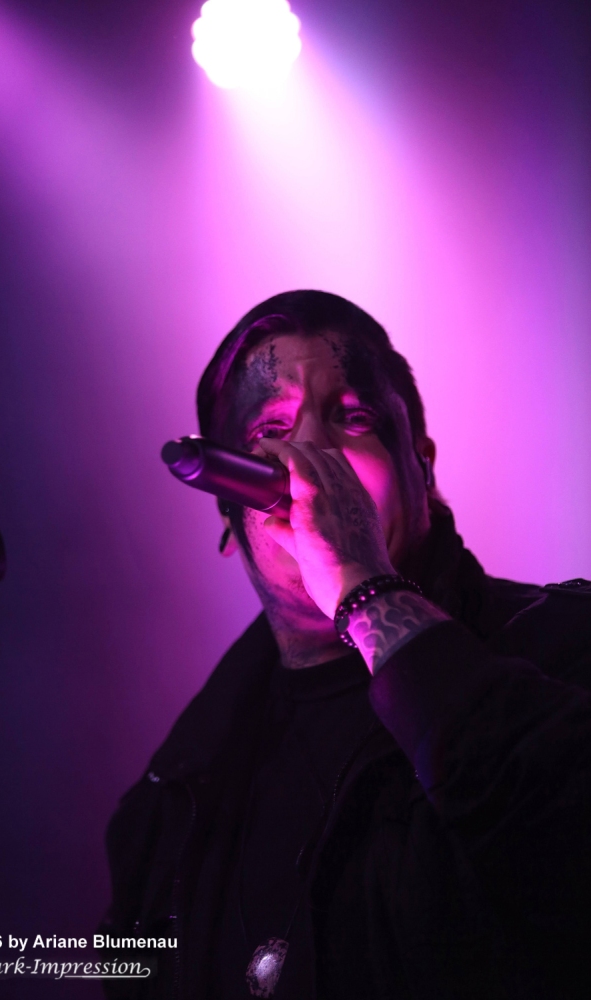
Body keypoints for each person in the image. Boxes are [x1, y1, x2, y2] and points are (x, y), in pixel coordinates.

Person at [100, 290, 591, 1000]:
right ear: (228, 511)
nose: (310, 454)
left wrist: (362, 582)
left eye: (352, 417)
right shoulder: (173, 799)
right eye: (271, 428)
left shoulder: (561, 646)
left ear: (422, 467)